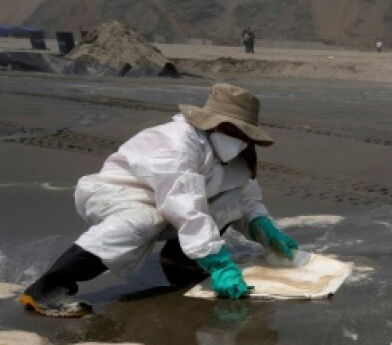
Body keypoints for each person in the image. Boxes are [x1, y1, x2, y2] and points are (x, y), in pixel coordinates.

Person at [18, 83, 298, 317]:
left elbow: (244, 200)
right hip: (121, 192)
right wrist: (218, 262)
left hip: (171, 200)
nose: (238, 140)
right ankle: (48, 289)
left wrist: (265, 229)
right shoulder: (178, 144)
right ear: (213, 124)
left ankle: (180, 258)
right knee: (143, 221)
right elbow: (184, 205)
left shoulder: (237, 156)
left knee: (225, 203)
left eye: (243, 135)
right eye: (232, 131)